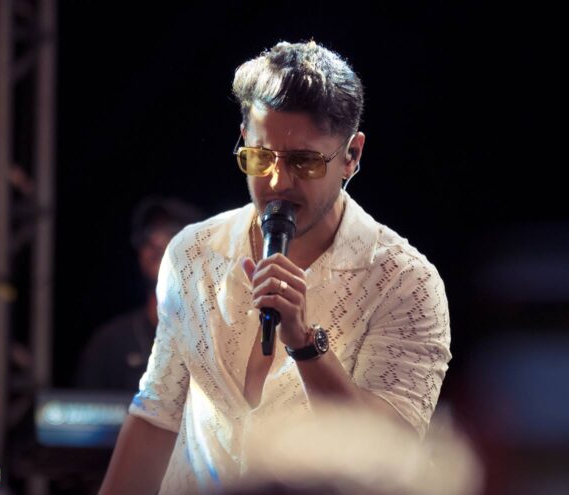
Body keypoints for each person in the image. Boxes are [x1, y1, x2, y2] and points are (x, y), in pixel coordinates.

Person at [99, 40, 452, 495]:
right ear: (243, 138)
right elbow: (157, 414)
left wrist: (305, 345)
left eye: (304, 162)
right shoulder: (193, 253)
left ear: (351, 155)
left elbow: (389, 456)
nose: (277, 182)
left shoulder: (405, 283)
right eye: (261, 157)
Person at [76, 197, 203, 390]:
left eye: (172, 232)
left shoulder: (220, 339)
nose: (156, 241)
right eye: (149, 232)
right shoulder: (109, 343)